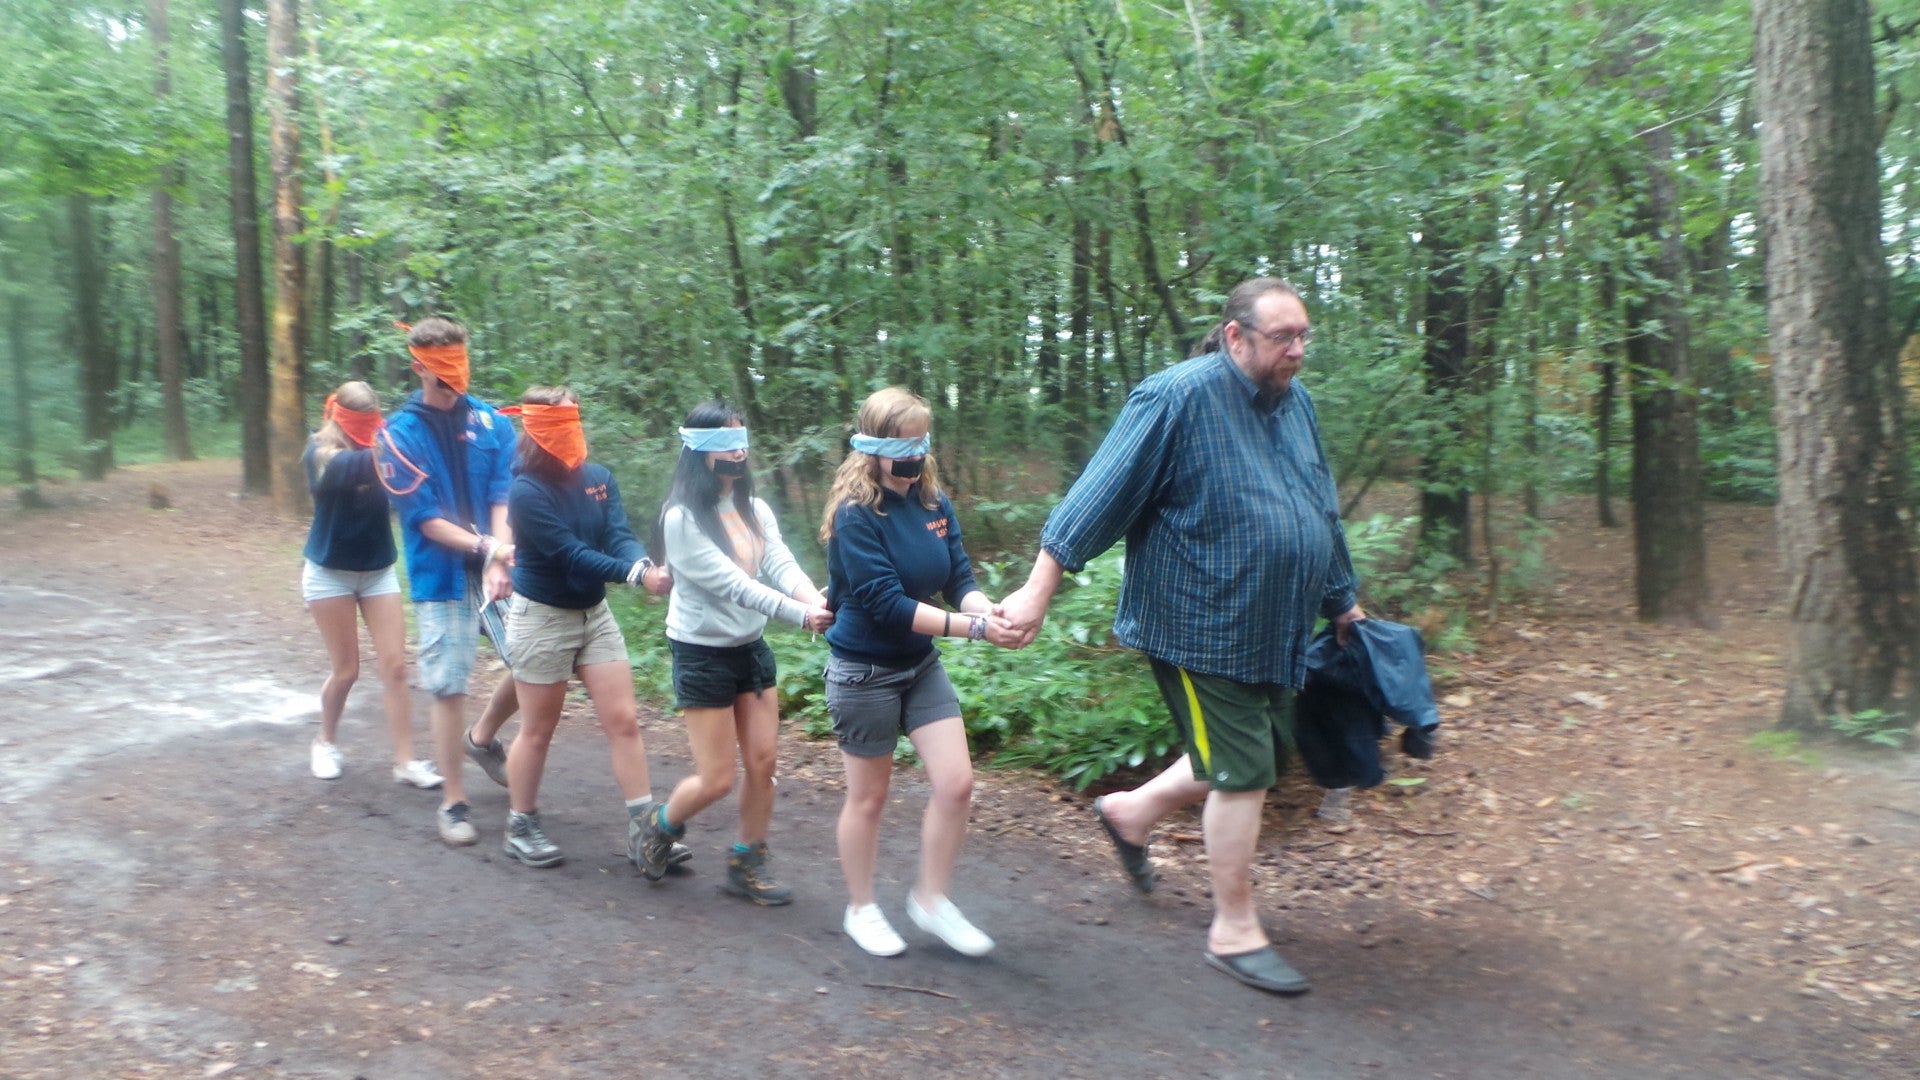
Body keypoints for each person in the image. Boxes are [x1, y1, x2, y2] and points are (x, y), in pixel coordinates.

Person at [997, 277, 1366, 996]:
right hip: (1201, 622)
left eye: (1303, 336)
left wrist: (1342, 601)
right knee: (1244, 770)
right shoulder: (1176, 397)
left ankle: (1129, 812)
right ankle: (1234, 930)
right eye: (1282, 337)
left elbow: (1319, 505)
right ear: (1235, 337)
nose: (1297, 350)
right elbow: (1099, 495)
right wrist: (1038, 589)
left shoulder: (1297, 405)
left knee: (1258, 752)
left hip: (1275, 625)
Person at [816, 387, 1021, 958]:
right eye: (901, 444)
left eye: (920, 442)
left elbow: (958, 579)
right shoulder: (856, 514)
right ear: (871, 448)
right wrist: (974, 630)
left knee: (956, 784)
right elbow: (887, 604)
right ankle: (861, 908)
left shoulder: (934, 502)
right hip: (864, 671)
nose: (913, 454)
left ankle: (930, 900)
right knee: (869, 799)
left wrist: (989, 611)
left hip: (919, 665)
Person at [631, 402, 832, 904]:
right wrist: (800, 615)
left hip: (750, 648)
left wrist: (816, 600)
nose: (738, 453)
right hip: (701, 653)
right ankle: (658, 825)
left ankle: (747, 862)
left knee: (764, 763)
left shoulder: (755, 509)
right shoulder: (681, 519)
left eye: (742, 442)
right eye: (725, 444)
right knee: (717, 779)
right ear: (699, 451)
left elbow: (779, 562)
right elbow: (735, 585)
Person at [493, 386, 678, 870]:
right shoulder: (526, 491)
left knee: (624, 720)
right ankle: (521, 824)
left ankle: (644, 829)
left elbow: (617, 534)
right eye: (558, 424)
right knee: (538, 729)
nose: (570, 433)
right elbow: (570, 553)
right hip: (542, 618)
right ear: (536, 430)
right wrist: (636, 577)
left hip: (594, 616)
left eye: (573, 421)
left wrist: (641, 563)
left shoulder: (598, 478)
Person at [376, 317, 519, 845]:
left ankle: (482, 738)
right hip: (441, 573)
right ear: (417, 366)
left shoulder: (492, 423)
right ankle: (454, 802)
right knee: (449, 683)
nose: (454, 376)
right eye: (441, 367)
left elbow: (504, 494)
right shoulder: (396, 436)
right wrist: (487, 549)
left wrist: (500, 556)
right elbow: (425, 518)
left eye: (460, 362)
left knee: (538, 661)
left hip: (499, 565)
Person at [300, 381, 441, 790]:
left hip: (378, 569)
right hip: (330, 573)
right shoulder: (320, 452)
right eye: (362, 422)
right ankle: (325, 742)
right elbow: (350, 468)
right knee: (346, 671)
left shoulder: (383, 444)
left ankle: (405, 762)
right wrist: (400, 445)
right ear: (342, 417)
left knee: (395, 666)